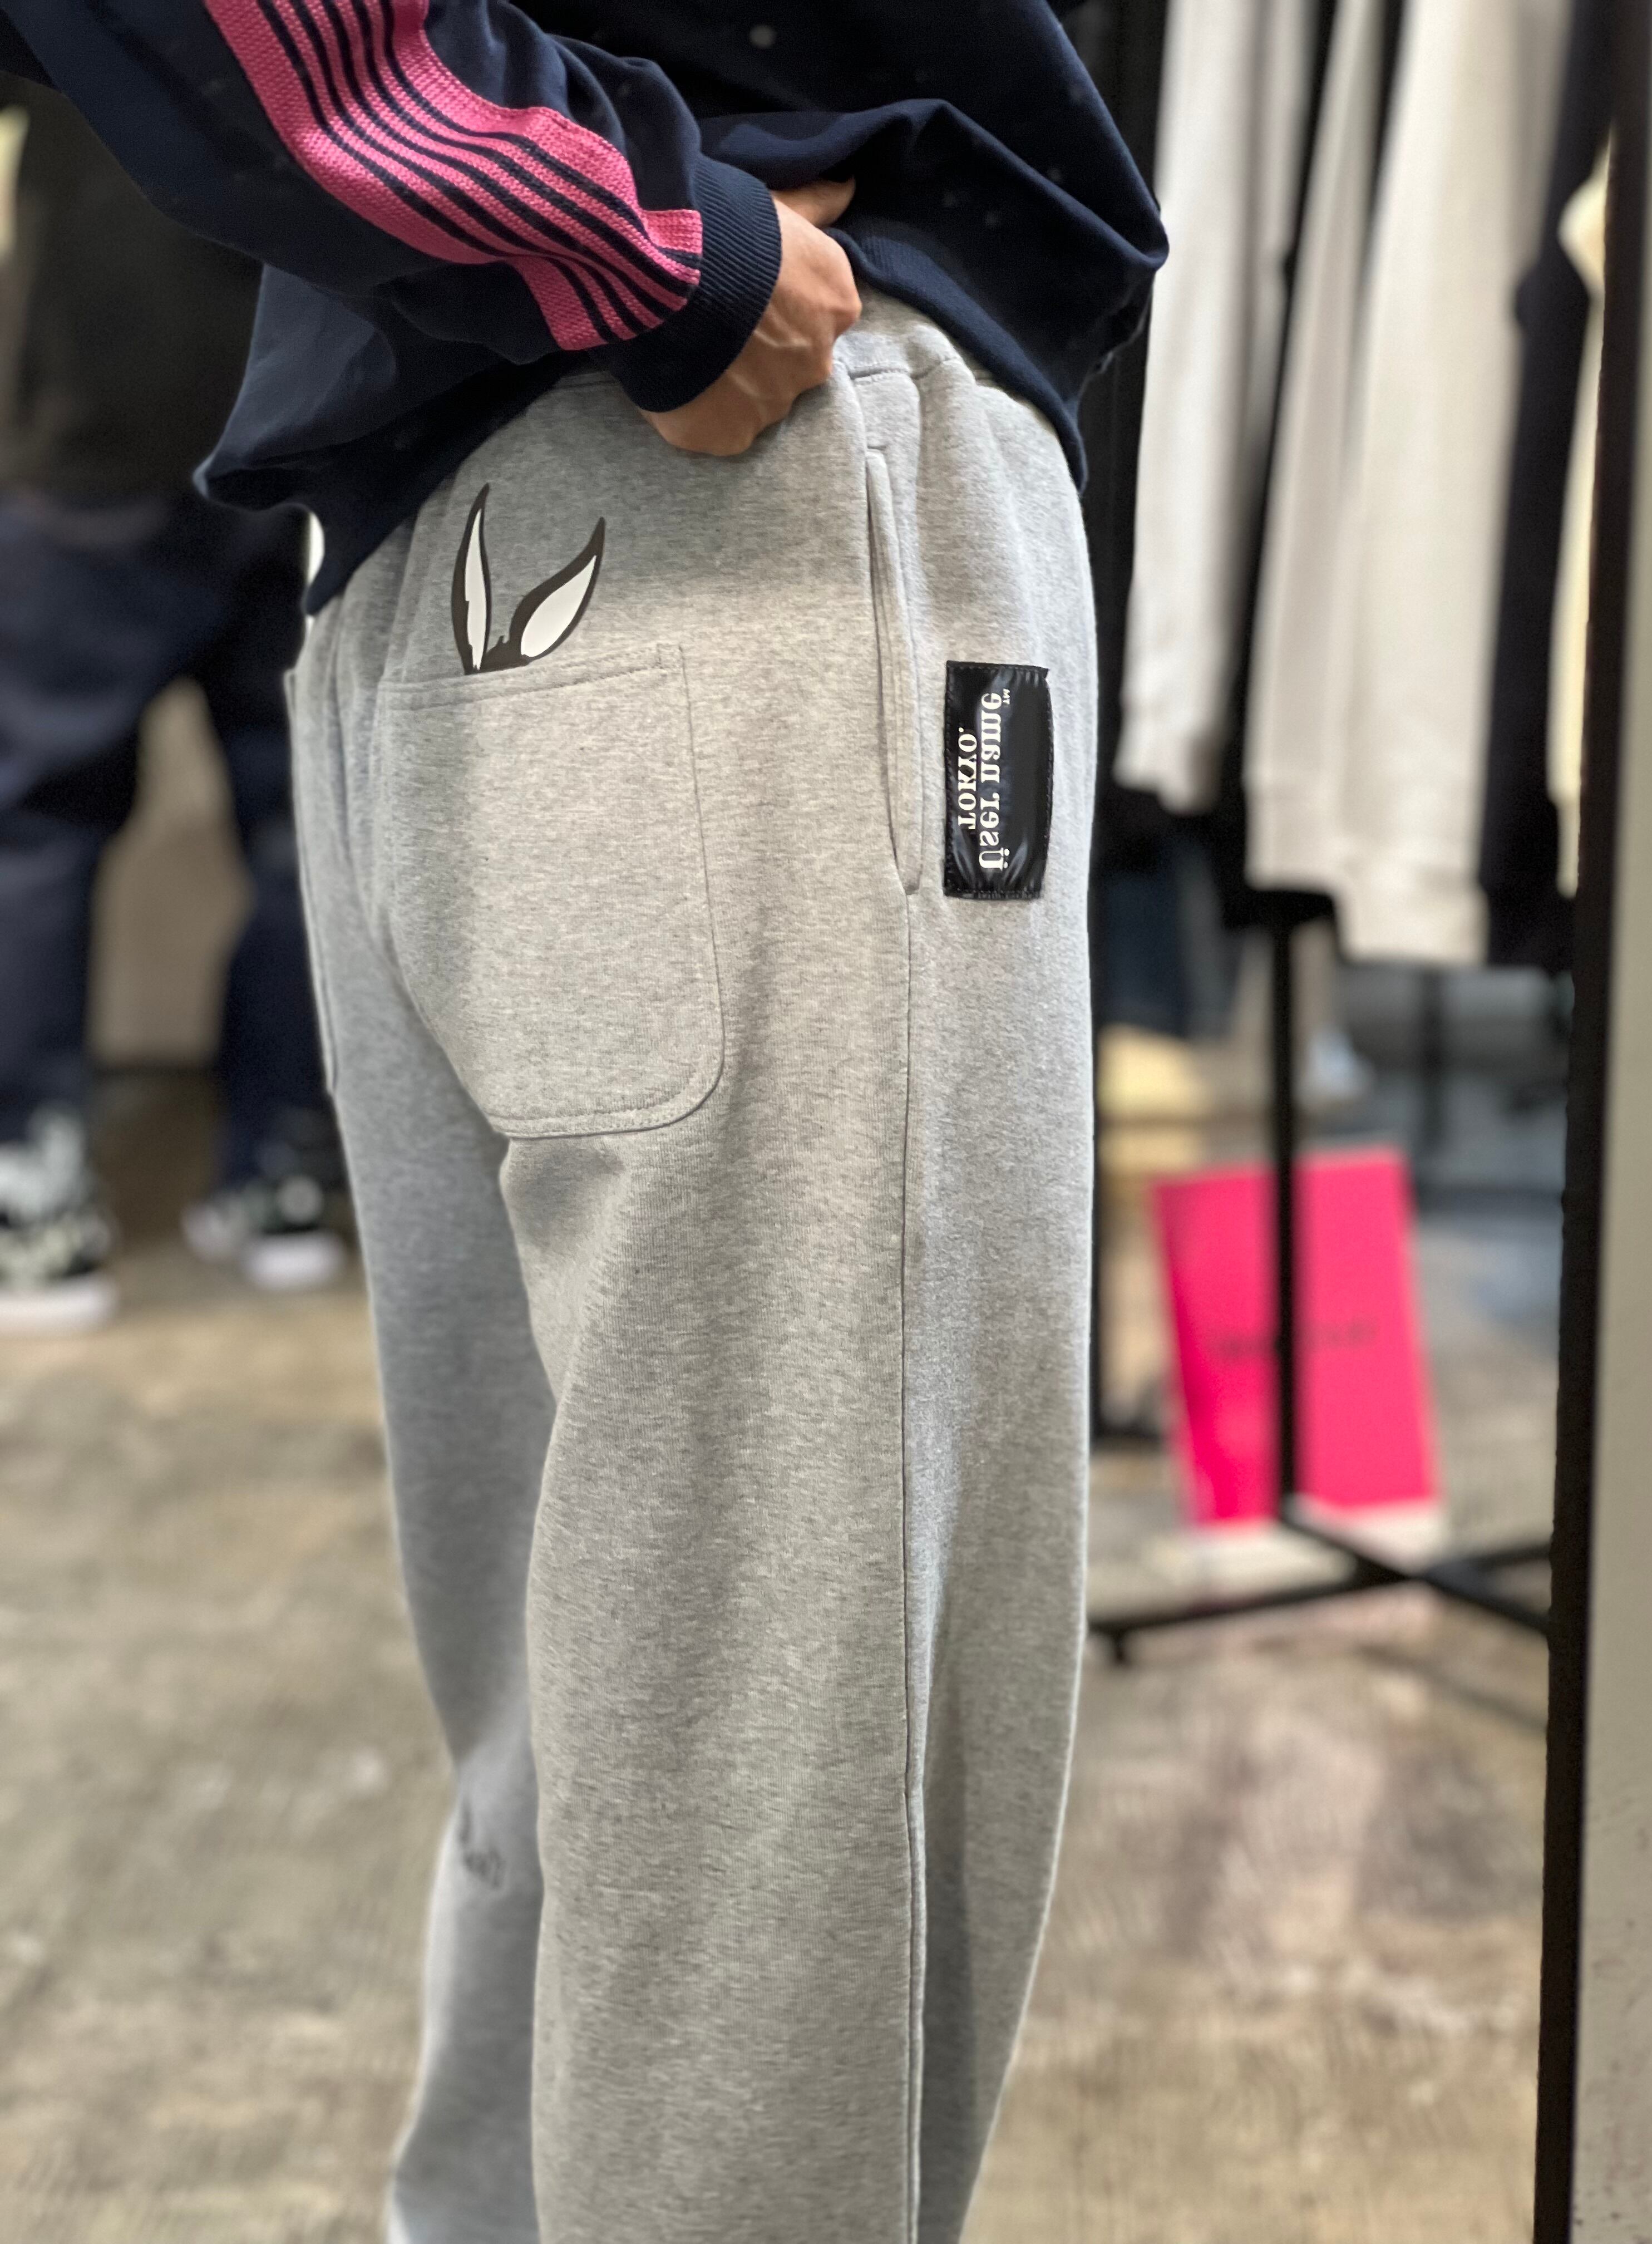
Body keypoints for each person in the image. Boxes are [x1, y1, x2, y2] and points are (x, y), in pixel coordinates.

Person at [0, 5, 1165, 2237]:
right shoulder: (664, 279)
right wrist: (637, 242)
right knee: (783, 1776)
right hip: (752, 463)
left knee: (606, 1723)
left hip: (465, 513)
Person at [0, 75, 342, 1332]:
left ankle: (33, 1195)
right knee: (303, 826)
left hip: (99, 419)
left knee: (37, 826)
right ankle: (282, 1174)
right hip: (305, 417)